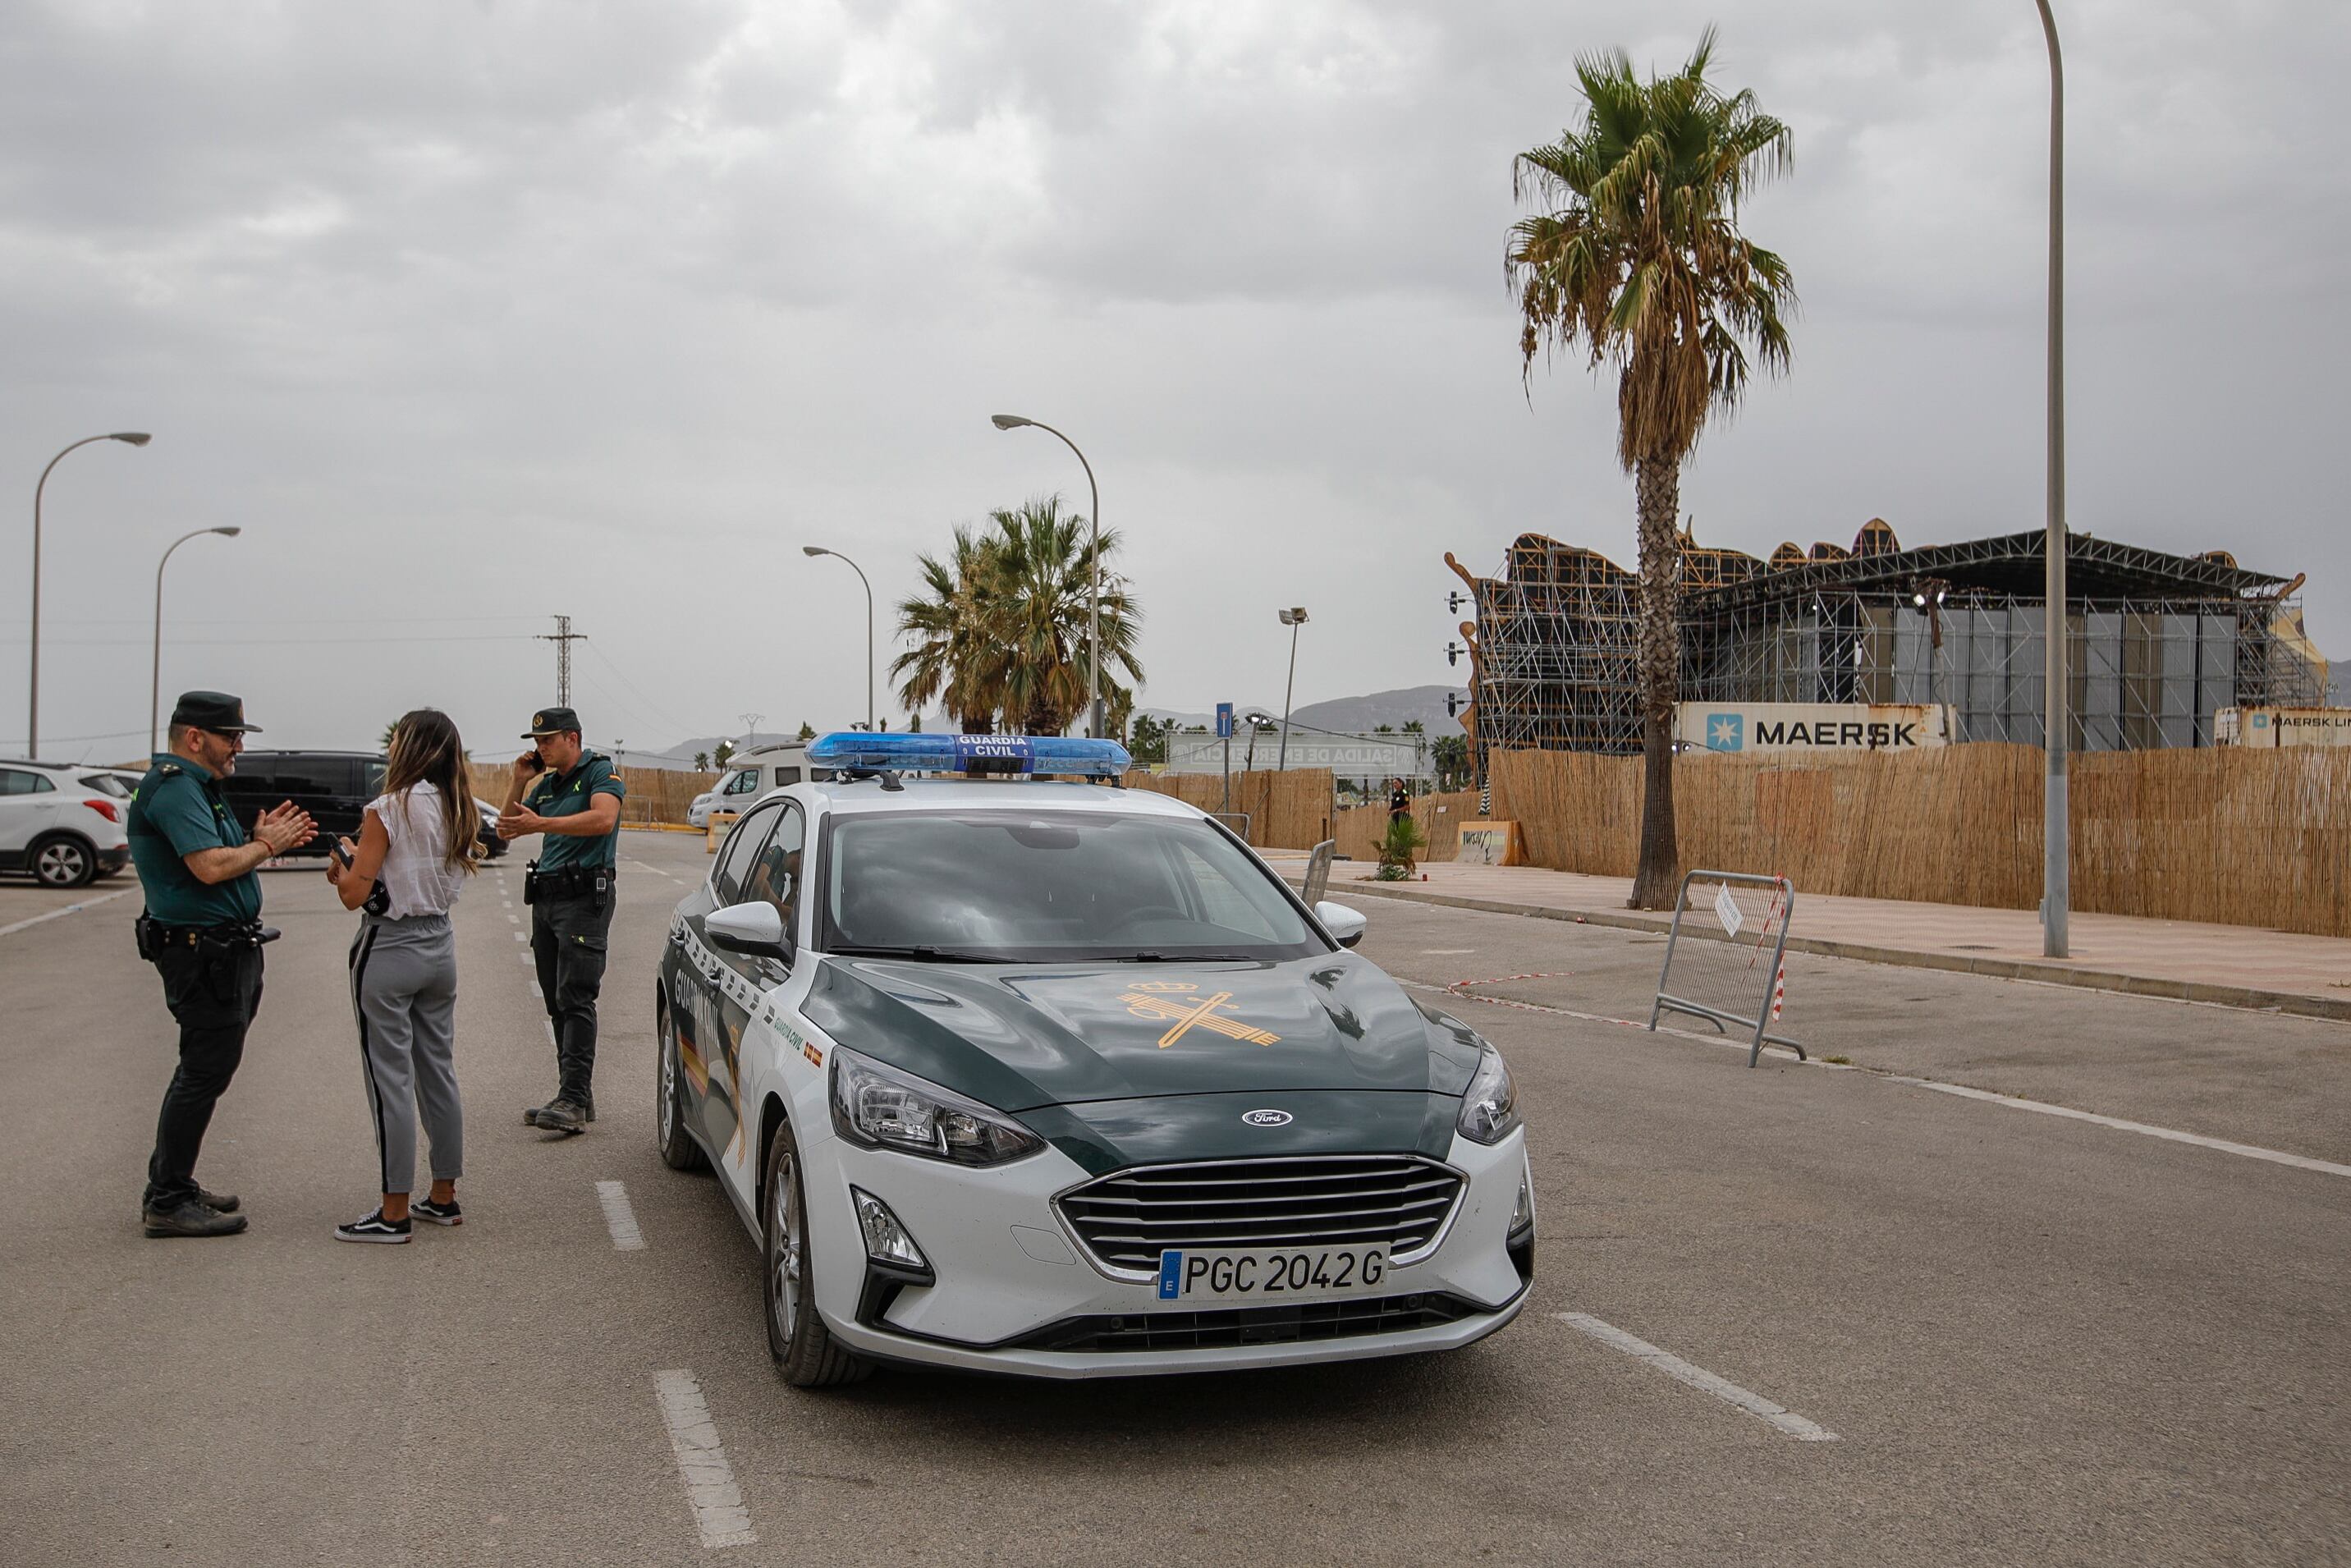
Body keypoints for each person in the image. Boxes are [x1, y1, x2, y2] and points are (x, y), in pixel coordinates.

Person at [128, 691, 317, 1238]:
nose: (239, 746)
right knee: (201, 1073)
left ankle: (172, 1184)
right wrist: (267, 845)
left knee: (204, 1072)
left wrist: (257, 840)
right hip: (200, 955)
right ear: (195, 738)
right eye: (231, 736)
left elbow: (224, 857)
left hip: (221, 951)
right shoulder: (174, 788)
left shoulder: (197, 787)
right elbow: (210, 867)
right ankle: (167, 1200)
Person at [326, 709, 481, 1243]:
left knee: (388, 1079)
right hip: (440, 944)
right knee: (438, 1071)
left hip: (390, 947)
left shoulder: (388, 809)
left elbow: (354, 894)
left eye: (396, 741)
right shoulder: (457, 807)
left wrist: (344, 865)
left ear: (409, 748)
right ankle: (443, 1195)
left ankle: (393, 1212)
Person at [497, 705, 625, 1135]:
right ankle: (574, 1094)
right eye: (537, 742)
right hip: (548, 899)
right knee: (556, 999)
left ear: (572, 738)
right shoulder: (547, 784)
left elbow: (604, 819)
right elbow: (505, 829)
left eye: (547, 740)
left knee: (576, 997)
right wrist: (519, 780)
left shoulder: (599, 771)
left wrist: (543, 823)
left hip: (584, 898)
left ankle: (572, 1098)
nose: (541, 748)